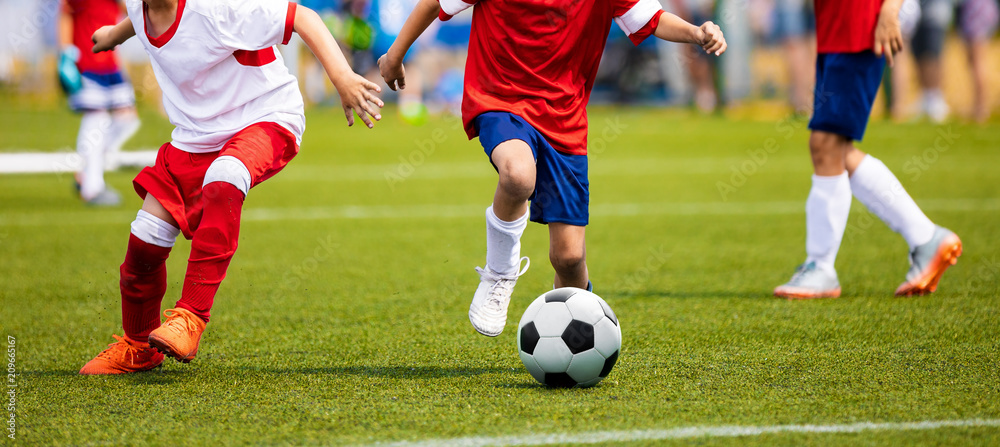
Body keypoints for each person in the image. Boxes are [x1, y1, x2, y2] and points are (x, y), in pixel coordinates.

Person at [379, 0, 726, 336]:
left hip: (564, 118)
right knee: (517, 174)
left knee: (569, 257)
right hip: (500, 99)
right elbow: (432, 3)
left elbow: (651, 18)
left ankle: (581, 340)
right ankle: (500, 272)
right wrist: (394, 57)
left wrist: (697, 32)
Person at [79, 0, 383, 374]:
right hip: (194, 137)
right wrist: (113, 34)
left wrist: (342, 77)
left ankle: (190, 316)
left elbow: (303, 17)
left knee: (225, 176)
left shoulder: (216, 7)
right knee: (145, 238)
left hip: (265, 116)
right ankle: (138, 347)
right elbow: (141, 17)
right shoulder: (141, 10)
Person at [774, 0, 962, 300]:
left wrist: (889, 11)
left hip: (861, 27)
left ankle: (821, 267)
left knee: (826, 144)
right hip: (836, 28)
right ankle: (926, 237)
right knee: (834, 149)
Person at [58, 0, 141, 206]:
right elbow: (65, 12)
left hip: (111, 64)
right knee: (96, 118)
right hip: (87, 61)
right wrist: (65, 53)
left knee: (128, 119)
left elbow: (134, 13)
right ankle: (92, 188)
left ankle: (87, 171)